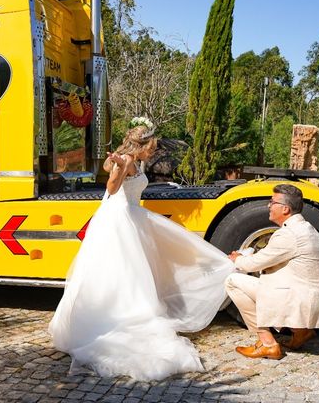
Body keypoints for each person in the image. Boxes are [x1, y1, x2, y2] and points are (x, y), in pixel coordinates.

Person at [48, 119, 235, 381]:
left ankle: (124, 310)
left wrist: (114, 162)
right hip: (119, 218)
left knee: (130, 271)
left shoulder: (129, 160)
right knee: (122, 270)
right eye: (151, 147)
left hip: (130, 216)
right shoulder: (126, 161)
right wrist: (118, 167)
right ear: (142, 145)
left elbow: (105, 166)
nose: (153, 152)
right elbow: (111, 188)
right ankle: (120, 317)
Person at [225, 184, 319, 360]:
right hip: (312, 301)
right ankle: (302, 332)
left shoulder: (288, 234)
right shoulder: (308, 228)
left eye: (272, 202)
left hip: (300, 301)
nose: (269, 205)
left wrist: (236, 259)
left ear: (285, 209)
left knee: (232, 281)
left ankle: (267, 343)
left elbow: (252, 264)